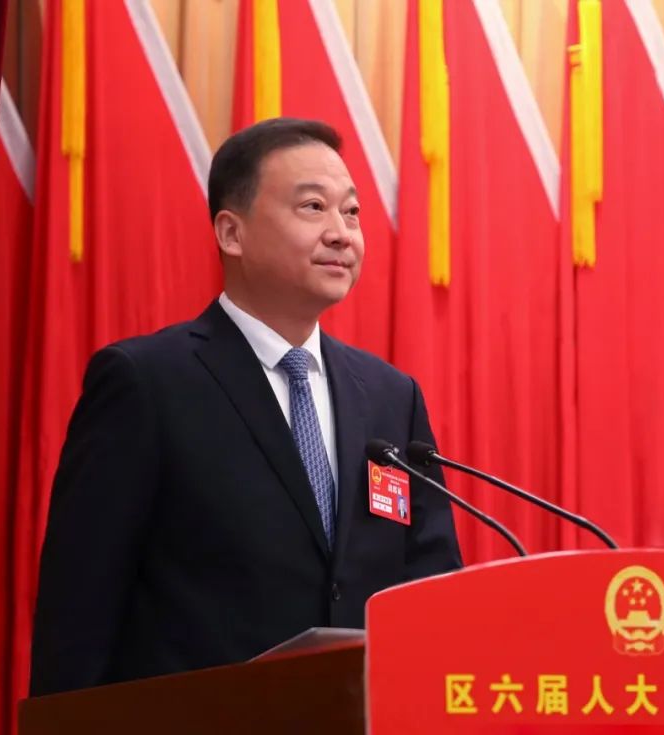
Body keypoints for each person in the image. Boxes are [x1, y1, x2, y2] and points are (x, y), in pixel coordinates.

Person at [29, 118, 460, 696]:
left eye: (352, 212)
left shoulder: (390, 396)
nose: (341, 234)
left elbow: (430, 586)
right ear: (232, 233)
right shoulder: (147, 383)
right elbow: (80, 605)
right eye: (313, 207)